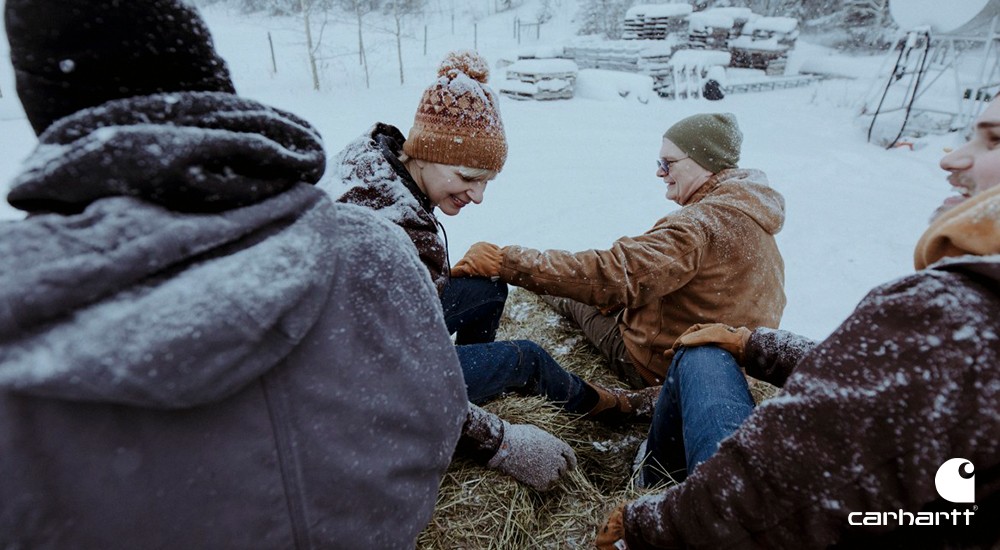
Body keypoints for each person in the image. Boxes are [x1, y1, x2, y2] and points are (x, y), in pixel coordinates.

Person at [0, 1, 469, 548]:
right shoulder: (374, 247)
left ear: (47, 112)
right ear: (215, 79)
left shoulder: (22, 307)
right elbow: (440, 417)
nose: (476, 193)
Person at [595, 99, 1000, 549]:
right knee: (704, 350)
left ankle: (653, 481)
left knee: (688, 351)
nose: (950, 158)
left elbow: (767, 493)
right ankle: (655, 473)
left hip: (734, 524)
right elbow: (890, 385)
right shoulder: (967, 332)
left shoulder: (953, 310)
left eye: (994, 139)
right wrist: (755, 345)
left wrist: (645, 528)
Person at [325, 52, 659, 490]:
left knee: (487, 287)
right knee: (527, 358)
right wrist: (499, 443)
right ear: (424, 152)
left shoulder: (372, 158)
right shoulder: (401, 232)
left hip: (371, 332)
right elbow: (401, 377)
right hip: (358, 377)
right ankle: (608, 407)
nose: (478, 196)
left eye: (487, 181)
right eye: (467, 176)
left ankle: (476, 385)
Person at [453, 112, 787, 389]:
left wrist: (506, 263)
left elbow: (612, 275)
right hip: (731, 368)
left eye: (668, 163)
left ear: (705, 163)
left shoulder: (699, 226)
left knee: (575, 297)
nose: (659, 172)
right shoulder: (749, 210)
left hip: (660, 365)